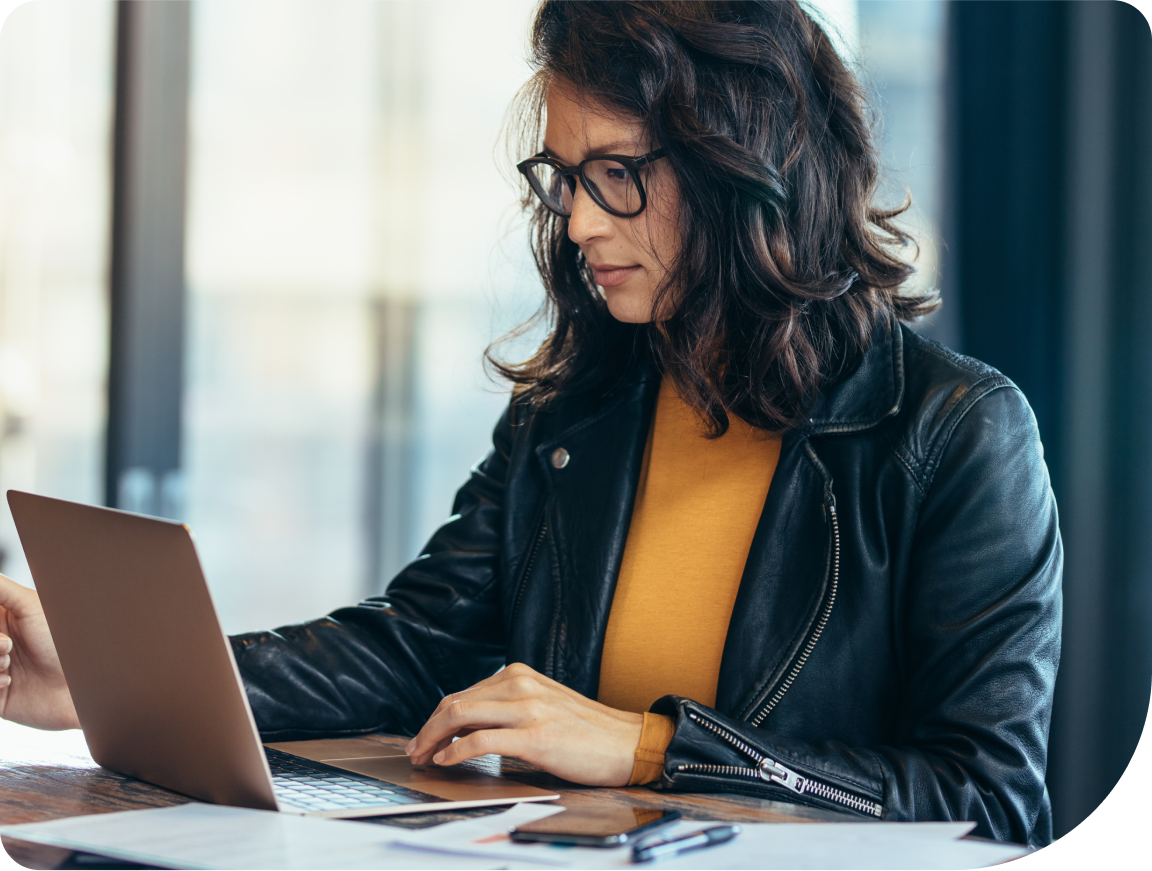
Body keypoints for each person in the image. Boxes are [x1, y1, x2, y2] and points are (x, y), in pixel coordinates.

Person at [0, 0, 1060, 847]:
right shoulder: (577, 412)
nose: (582, 220)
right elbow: (415, 645)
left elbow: (991, 801)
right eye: (567, 178)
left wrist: (650, 749)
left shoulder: (957, 435)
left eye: (620, 176)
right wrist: (109, 675)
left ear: (744, 164)